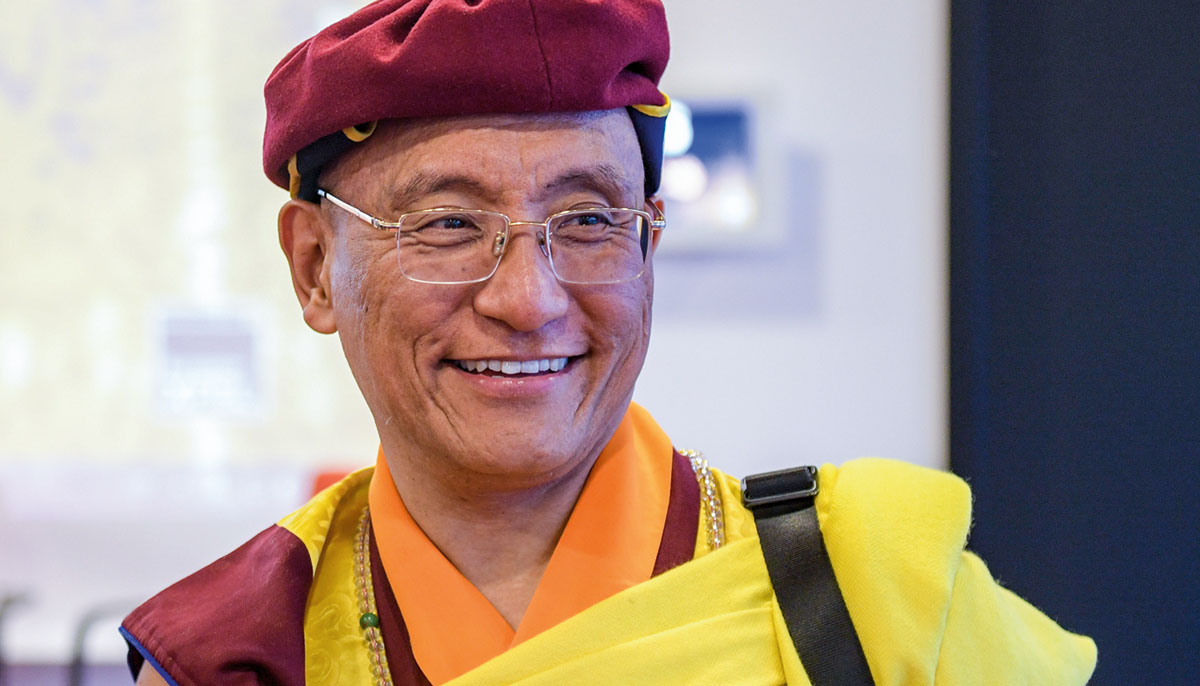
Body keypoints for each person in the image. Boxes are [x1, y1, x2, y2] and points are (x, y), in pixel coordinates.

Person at [121, 1, 1097, 684]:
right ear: (313, 268)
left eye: (587, 220)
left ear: (650, 240)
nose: (528, 299)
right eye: (449, 223)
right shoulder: (243, 653)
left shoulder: (878, 598)